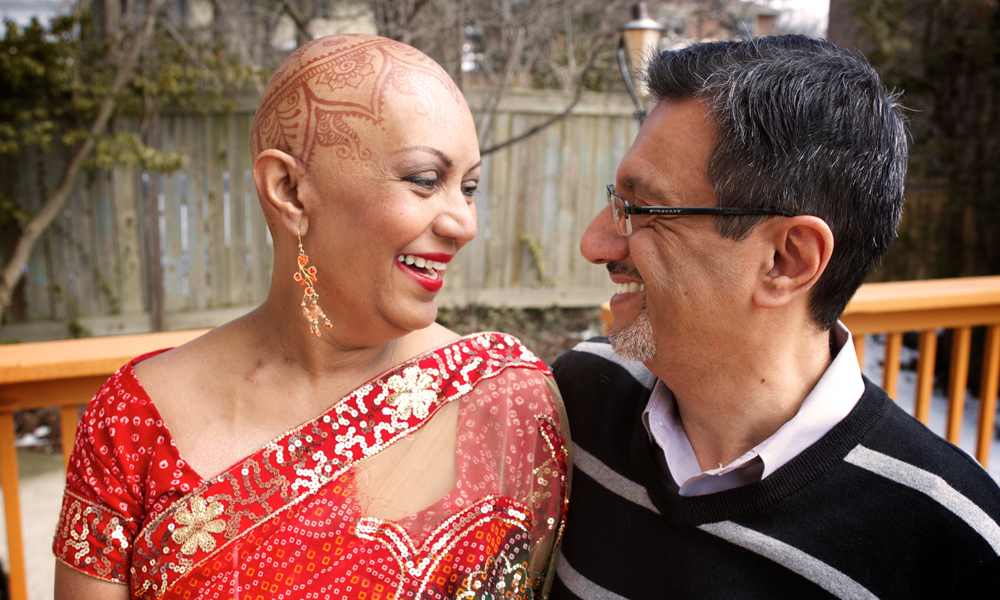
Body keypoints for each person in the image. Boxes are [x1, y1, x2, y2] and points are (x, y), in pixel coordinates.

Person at [53, 35, 569, 600]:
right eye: (425, 179)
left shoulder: (506, 401)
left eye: (468, 187)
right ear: (290, 189)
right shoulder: (130, 422)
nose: (464, 223)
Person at [550, 35, 1000, 599]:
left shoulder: (955, 547)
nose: (595, 243)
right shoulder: (578, 400)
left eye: (640, 211)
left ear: (786, 260)